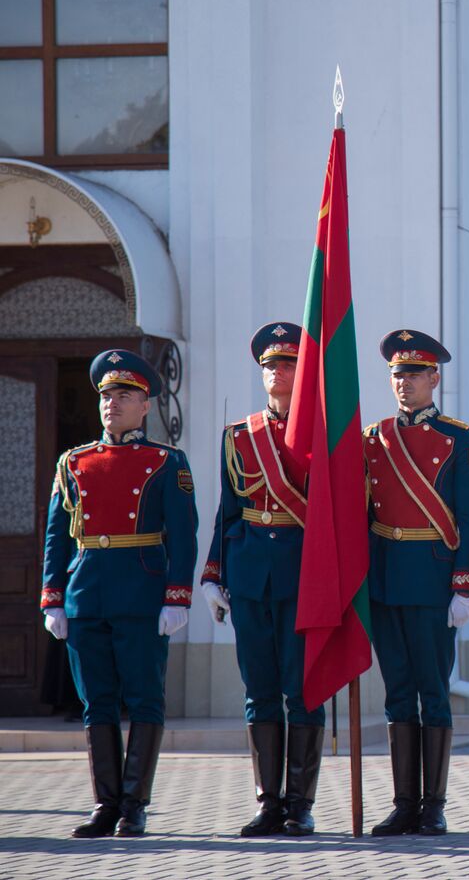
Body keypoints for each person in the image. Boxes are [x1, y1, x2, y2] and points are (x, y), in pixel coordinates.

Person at [41, 349, 198, 838]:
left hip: (141, 592)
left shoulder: (166, 463)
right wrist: (52, 596)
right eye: (106, 395)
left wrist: (177, 595)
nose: (112, 404)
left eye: (124, 395)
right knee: (97, 703)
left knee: (145, 699)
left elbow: (185, 535)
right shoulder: (75, 462)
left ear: (146, 405)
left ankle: (135, 804)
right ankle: (105, 803)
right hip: (87, 594)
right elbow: (56, 535)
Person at [199, 322, 325, 836]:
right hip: (250, 576)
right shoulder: (239, 435)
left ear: (304, 372)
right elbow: (228, 513)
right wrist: (212, 575)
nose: (277, 373)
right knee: (261, 691)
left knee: (303, 691)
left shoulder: (321, 434)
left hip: (302, 577)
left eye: (288, 363)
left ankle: (300, 804)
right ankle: (268, 802)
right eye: (270, 365)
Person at [364, 330, 469, 836]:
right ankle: (403, 803)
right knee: (397, 692)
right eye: (397, 374)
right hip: (386, 578)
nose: (404, 383)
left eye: (414, 374)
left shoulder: (461, 438)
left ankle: (433, 805)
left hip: (434, 577)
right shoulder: (372, 437)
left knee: (432, 691)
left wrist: (465, 584)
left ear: (435, 378)